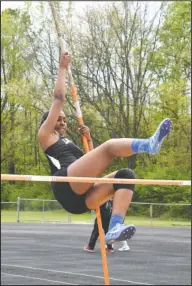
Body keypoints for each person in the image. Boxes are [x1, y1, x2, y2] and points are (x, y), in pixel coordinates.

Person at [38, 51, 172, 245]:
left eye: (65, 120)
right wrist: (62, 69)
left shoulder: (68, 143)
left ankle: (114, 228)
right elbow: (59, 98)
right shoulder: (46, 135)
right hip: (65, 185)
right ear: (47, 122)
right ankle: (149, 145)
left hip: (80, 198)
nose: (63, 122)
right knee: (109, 147)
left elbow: (91, 160)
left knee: (126, 176)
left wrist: (89, 139)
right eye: (59, 119)